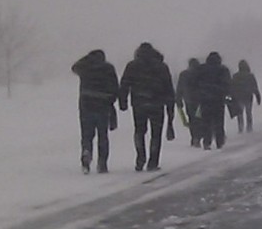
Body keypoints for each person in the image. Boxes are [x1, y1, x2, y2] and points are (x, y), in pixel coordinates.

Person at [118, 41, 174, 171]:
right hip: (157, 104)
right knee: (156, 134)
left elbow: (125, 84)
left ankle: (140, 158)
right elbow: (168, 88)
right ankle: (153, 162)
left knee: (139, 131)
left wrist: (123, 101)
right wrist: (170, 107)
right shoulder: (161, 67)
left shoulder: (132, 66)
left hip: (139, 103)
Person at [70, 49, 119, 174]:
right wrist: (112, 100)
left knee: (87, 135)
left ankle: (86, 153)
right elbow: (115, 88)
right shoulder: (108, 68)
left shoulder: (85, 68)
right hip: (103, 106)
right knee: (103, 136)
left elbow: (74, 67)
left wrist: (87, 59)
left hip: (86, 105)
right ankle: (102, 164)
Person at [196, 51, 233, 148]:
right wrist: (227, 96)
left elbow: (195, 83)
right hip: (218, 100)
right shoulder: (222, 70)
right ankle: (219, 141)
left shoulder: (201, 69)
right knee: (219, 121)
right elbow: (227, 84)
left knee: (206, 121)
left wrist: (200, 94)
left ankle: (206, 141)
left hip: (205, 100)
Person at [177, 58, 202, 148]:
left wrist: (179, 99)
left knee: (192, 119)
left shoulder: (184, 75)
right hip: (200, 101)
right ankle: (198, 137)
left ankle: (194, 137)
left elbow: (180, 88)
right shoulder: (201, 74)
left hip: (189, 101)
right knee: (199, 119)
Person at [231, 59, 262, 133]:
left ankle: (240, 127)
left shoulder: (235, 76)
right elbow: (254, 87)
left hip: (239, 97)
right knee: (248, 112)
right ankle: (249, 126)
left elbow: (232, 87)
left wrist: (231, 97)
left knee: (240, 113)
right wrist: (258, 96)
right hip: (248, 96)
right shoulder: (250, 76)